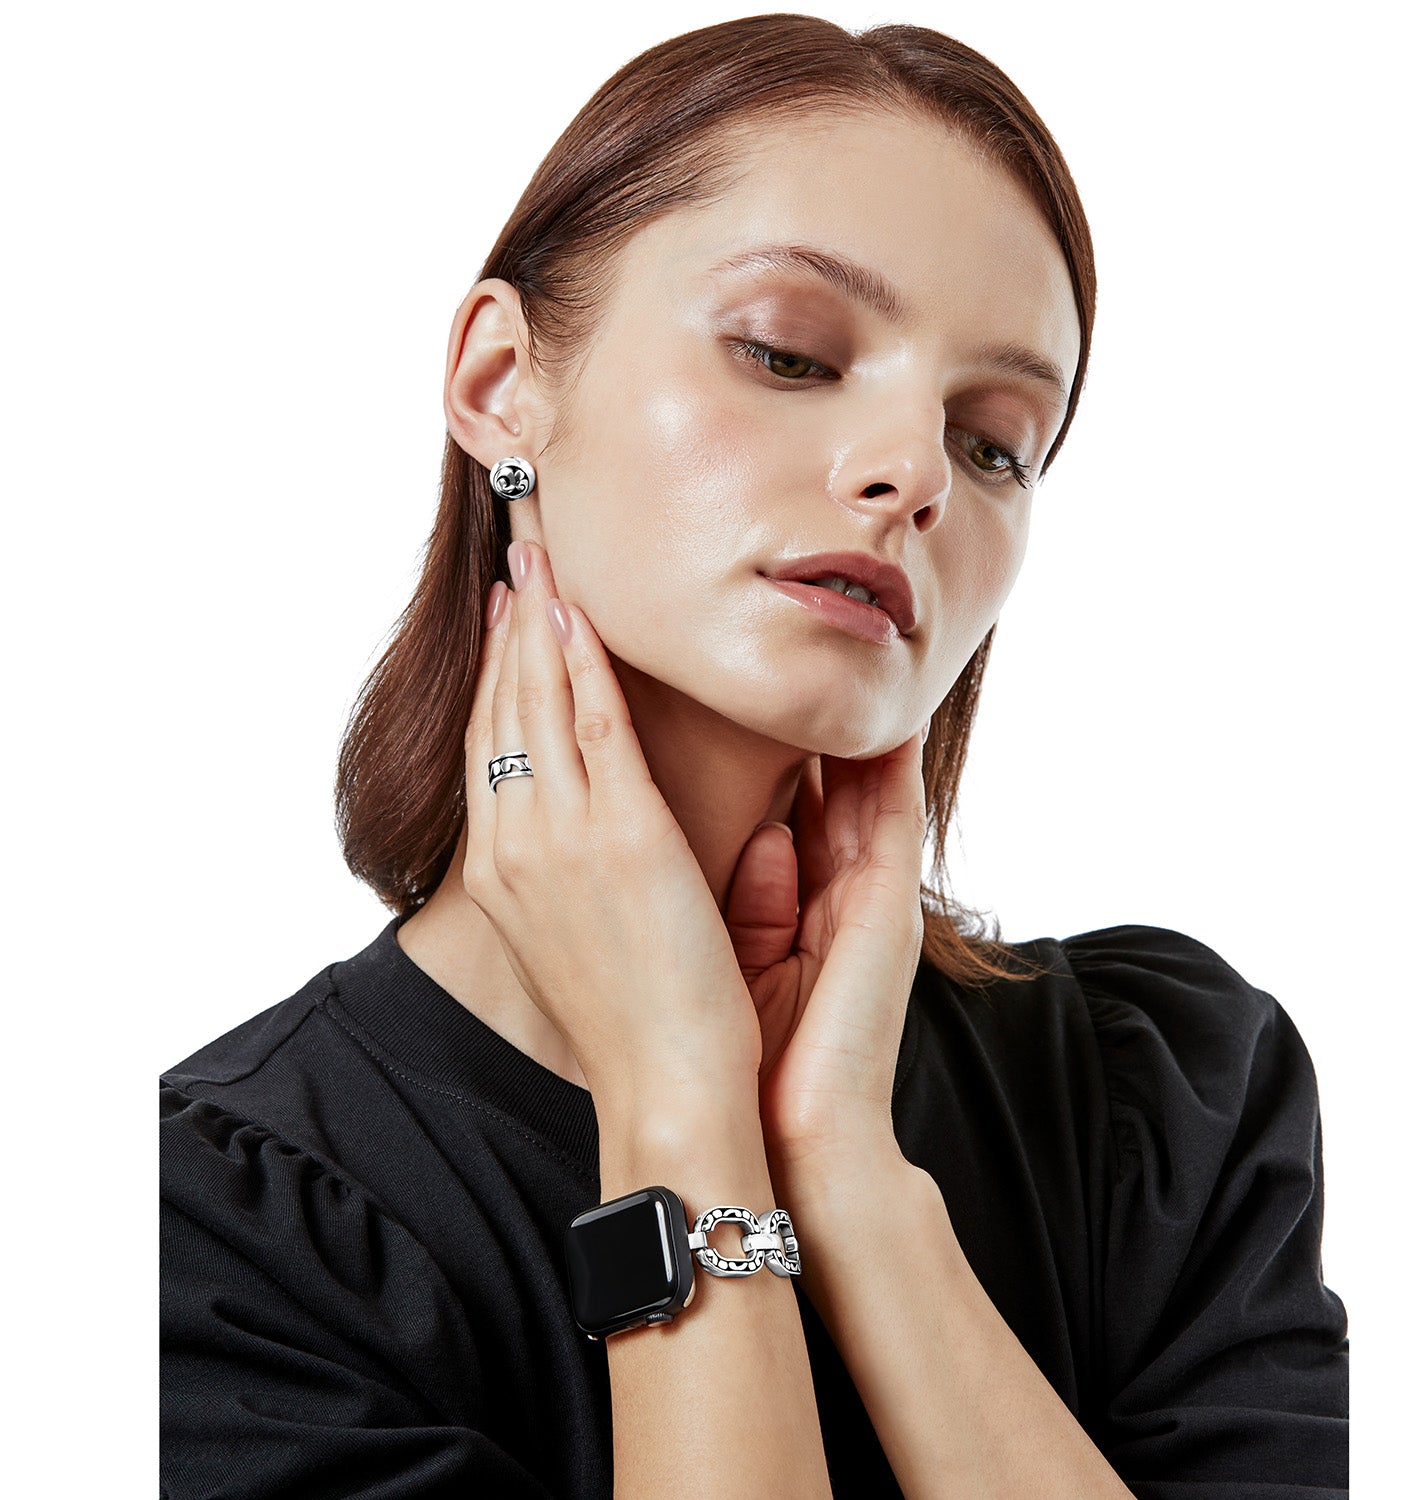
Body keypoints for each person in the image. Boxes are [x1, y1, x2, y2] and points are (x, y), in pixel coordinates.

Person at [159, 13, 1350, 1498]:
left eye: (993, 441)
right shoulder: (207, 1246)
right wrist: (677, 1102)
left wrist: (850, 1175)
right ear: (500, 381)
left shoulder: (1159, 1105)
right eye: (788, 353)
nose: (911, 473)